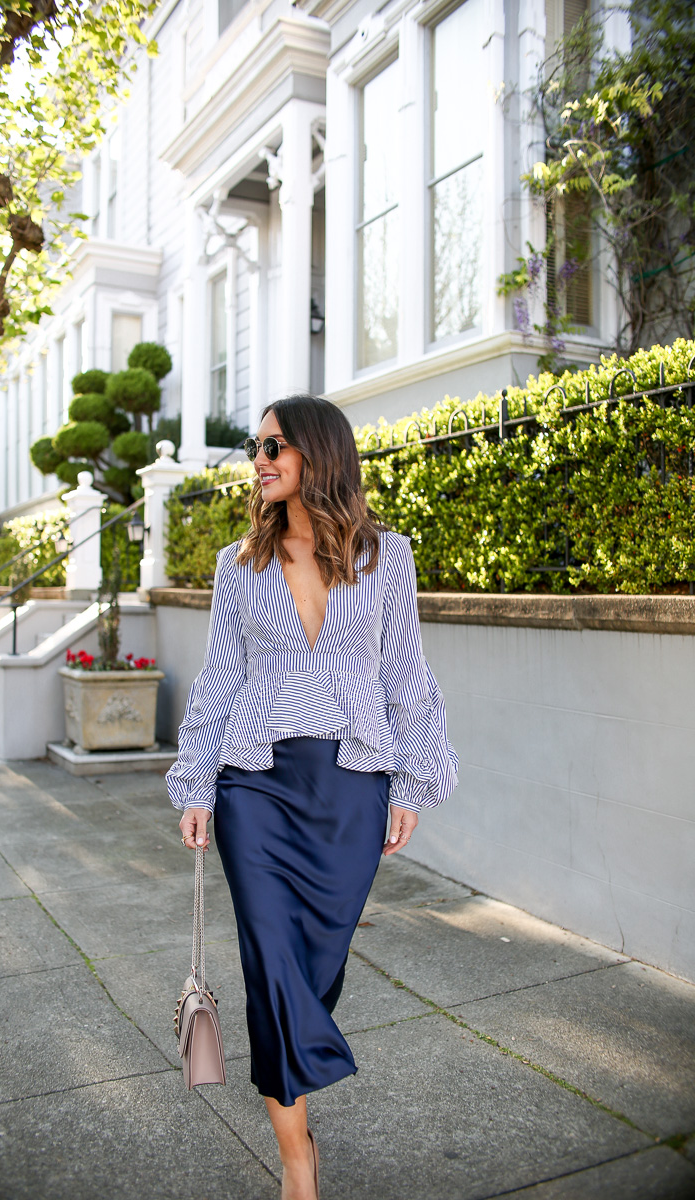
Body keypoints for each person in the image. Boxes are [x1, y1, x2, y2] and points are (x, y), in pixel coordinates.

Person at [167, 394, 458, 1200]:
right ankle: (298, 1160)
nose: (257, 459)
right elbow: (220, 678)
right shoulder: (239, 565)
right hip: (253, 783)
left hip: (352, 786)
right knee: (270, 963)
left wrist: (413, 780)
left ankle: (291, 1091)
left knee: (314, 970)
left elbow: (408, 681)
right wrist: (195, 781)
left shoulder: (386, 558)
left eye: (272, 445)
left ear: (318, 455)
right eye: (254, 447)